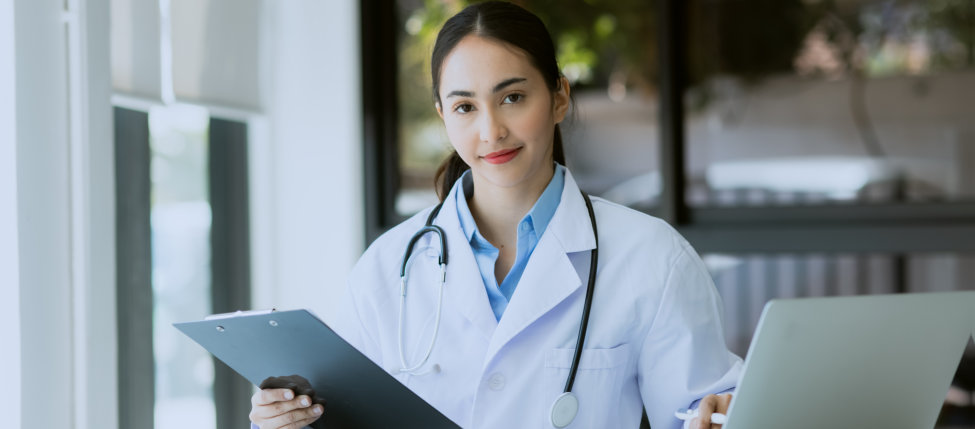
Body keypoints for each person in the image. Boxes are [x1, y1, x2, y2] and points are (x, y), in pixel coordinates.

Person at [249, 2, 740, 428]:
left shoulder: (651, 257)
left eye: (512, 98)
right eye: (465, 107)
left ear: (560, 98)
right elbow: (346, 419)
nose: (491, 131)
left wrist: (727, 408)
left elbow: (703, 406)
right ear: (443, 115)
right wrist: (289, 423)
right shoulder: (387, 266)